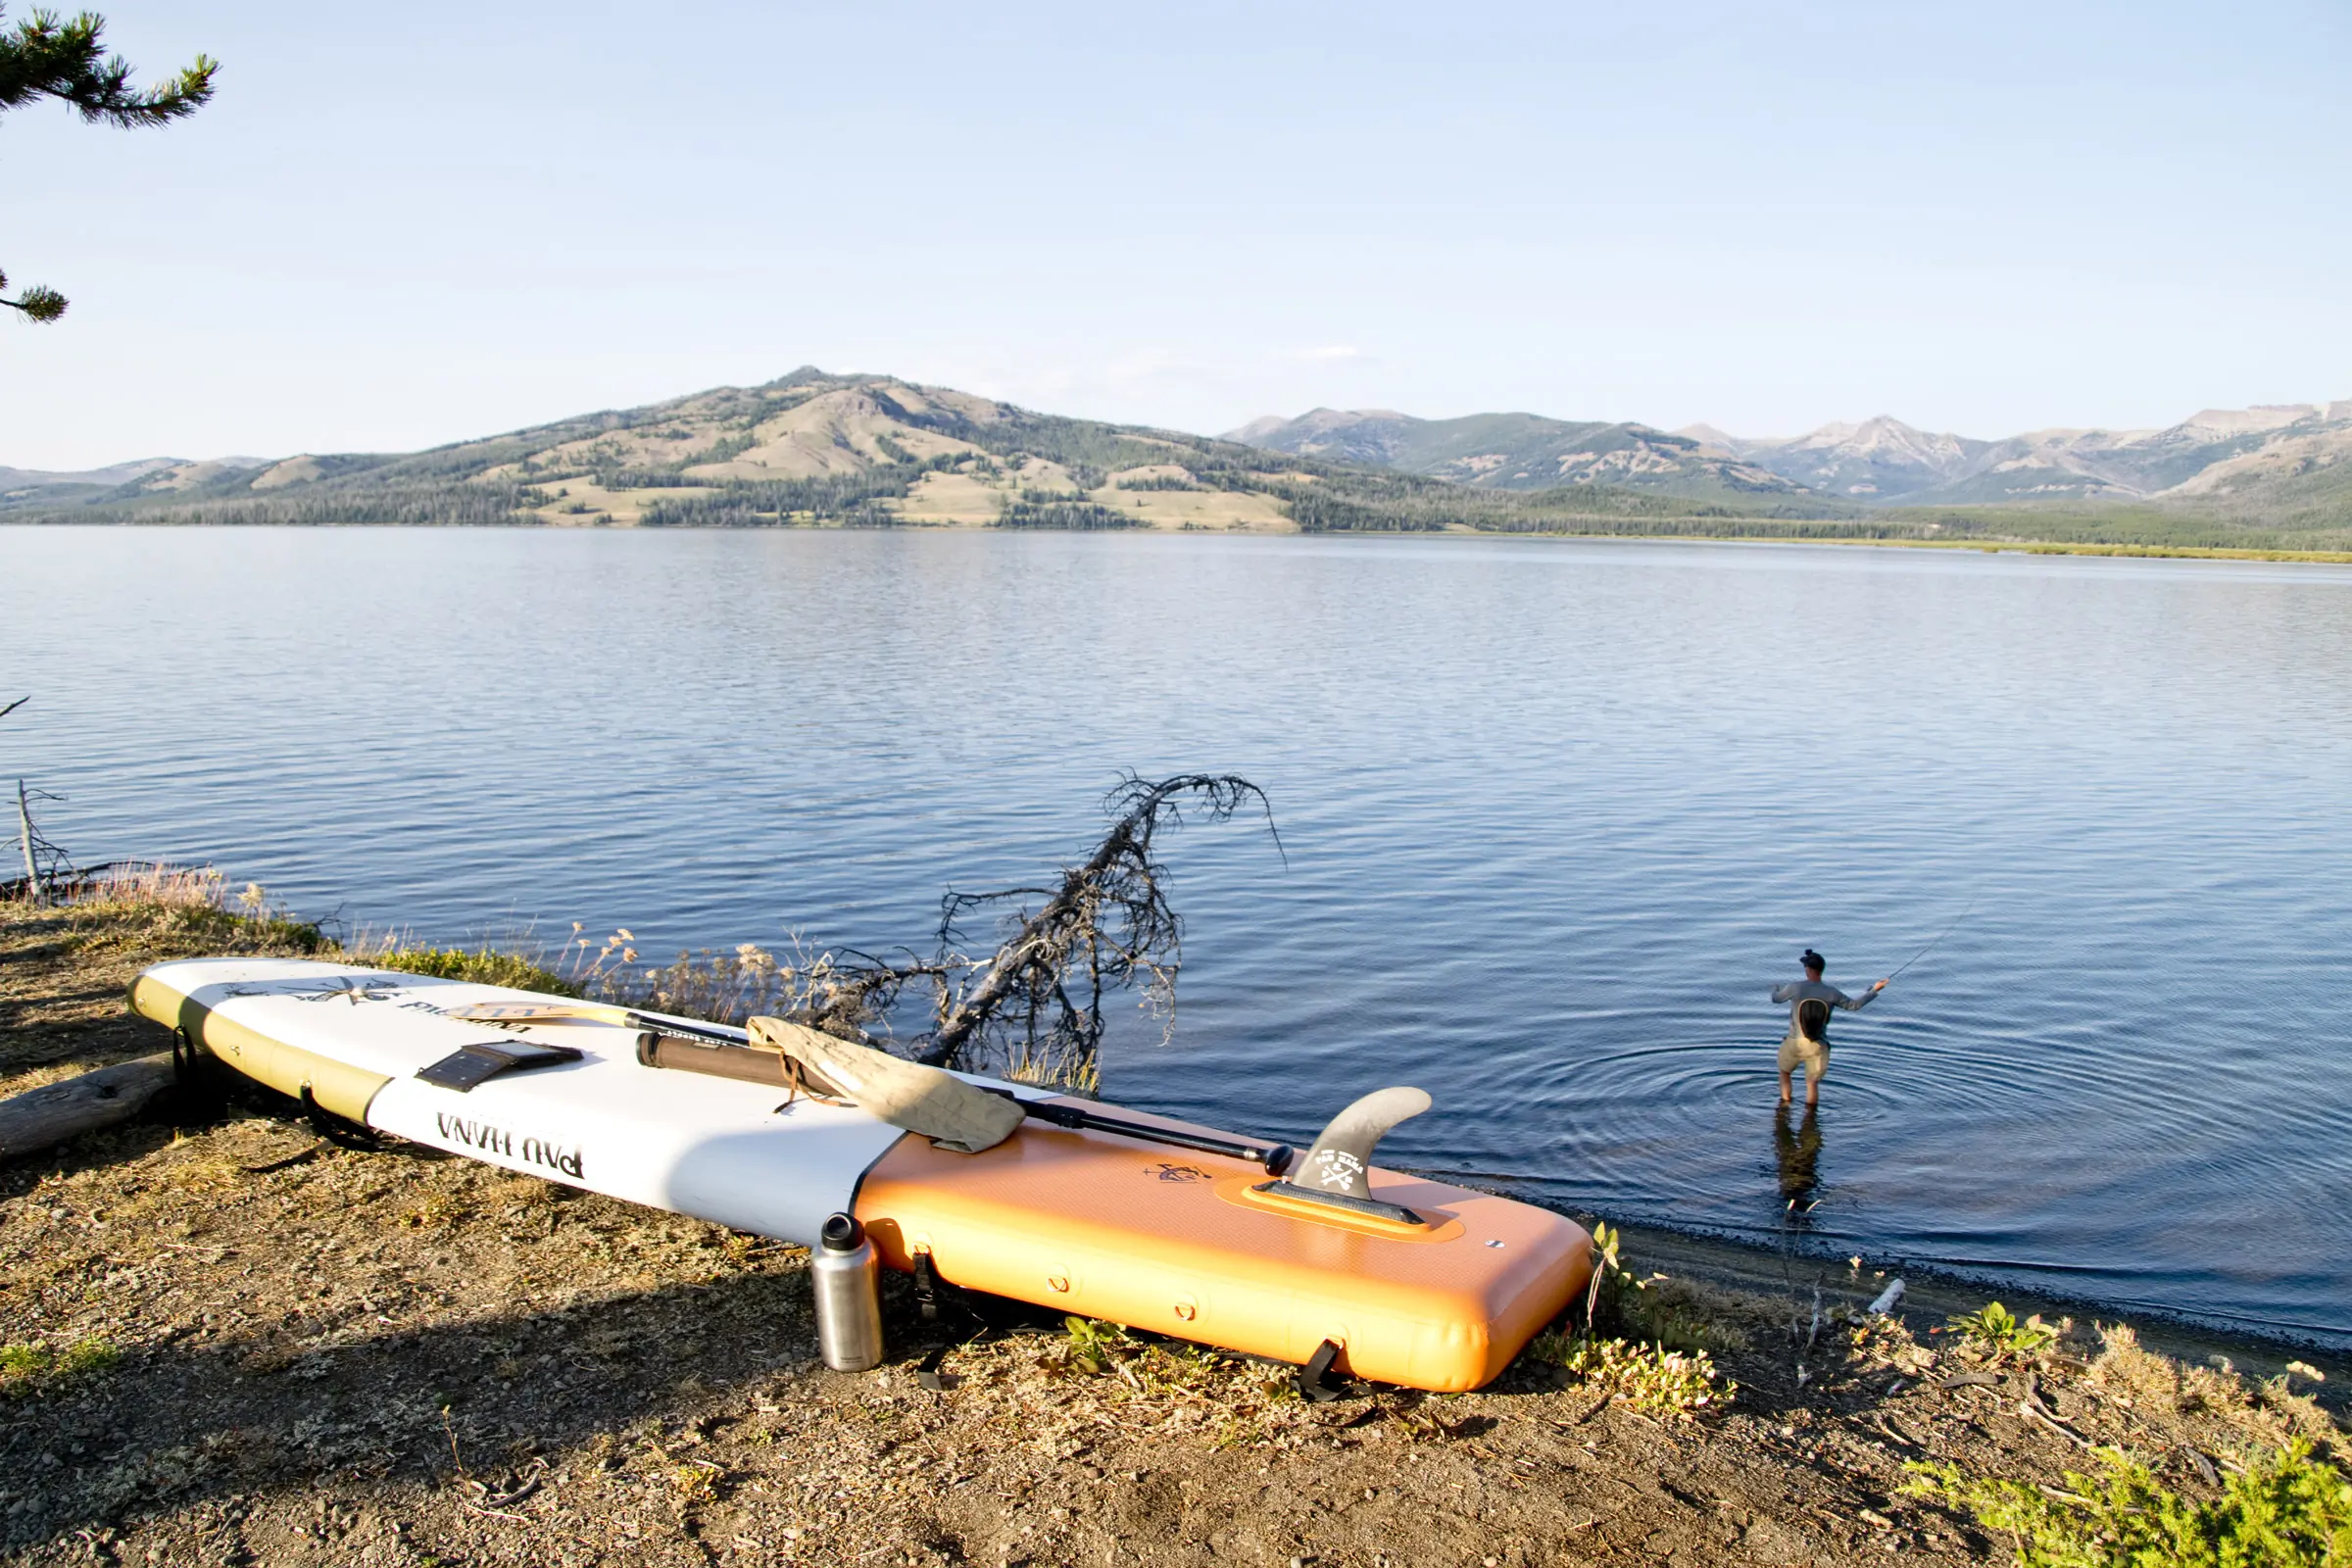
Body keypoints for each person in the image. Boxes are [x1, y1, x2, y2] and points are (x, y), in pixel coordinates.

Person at [1770, 949, 1886, 1107]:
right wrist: (1874, 990)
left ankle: (1785, 1107)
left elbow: (1776, 999)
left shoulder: (1794, 988)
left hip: (1794, 1042)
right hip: (1818, 1045)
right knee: (1811, 1083)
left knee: (1785, 1072)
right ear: (1821, 970)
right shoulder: (1832, 993)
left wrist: (1775, 989)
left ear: (1808, 970)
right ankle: (1810, 1119)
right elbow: (1854, 1005)